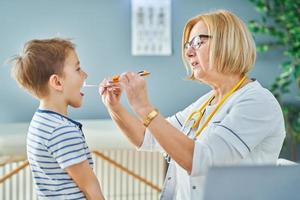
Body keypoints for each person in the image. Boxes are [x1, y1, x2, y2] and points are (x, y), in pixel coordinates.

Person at [100, 10, 286, 200]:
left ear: (227, 43)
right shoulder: (208, 100)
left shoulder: (258, 102)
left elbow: (200, 161)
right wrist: (115, 107)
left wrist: (144, 107)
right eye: (188, 45)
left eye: (198, 42)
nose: (188, 53)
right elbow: (148, 137)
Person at [11, 38, 105, 200]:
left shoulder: (40, 122)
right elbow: (90, 188)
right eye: (78, 69)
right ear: (57, 82)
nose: (85, 75)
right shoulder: (62, 130)